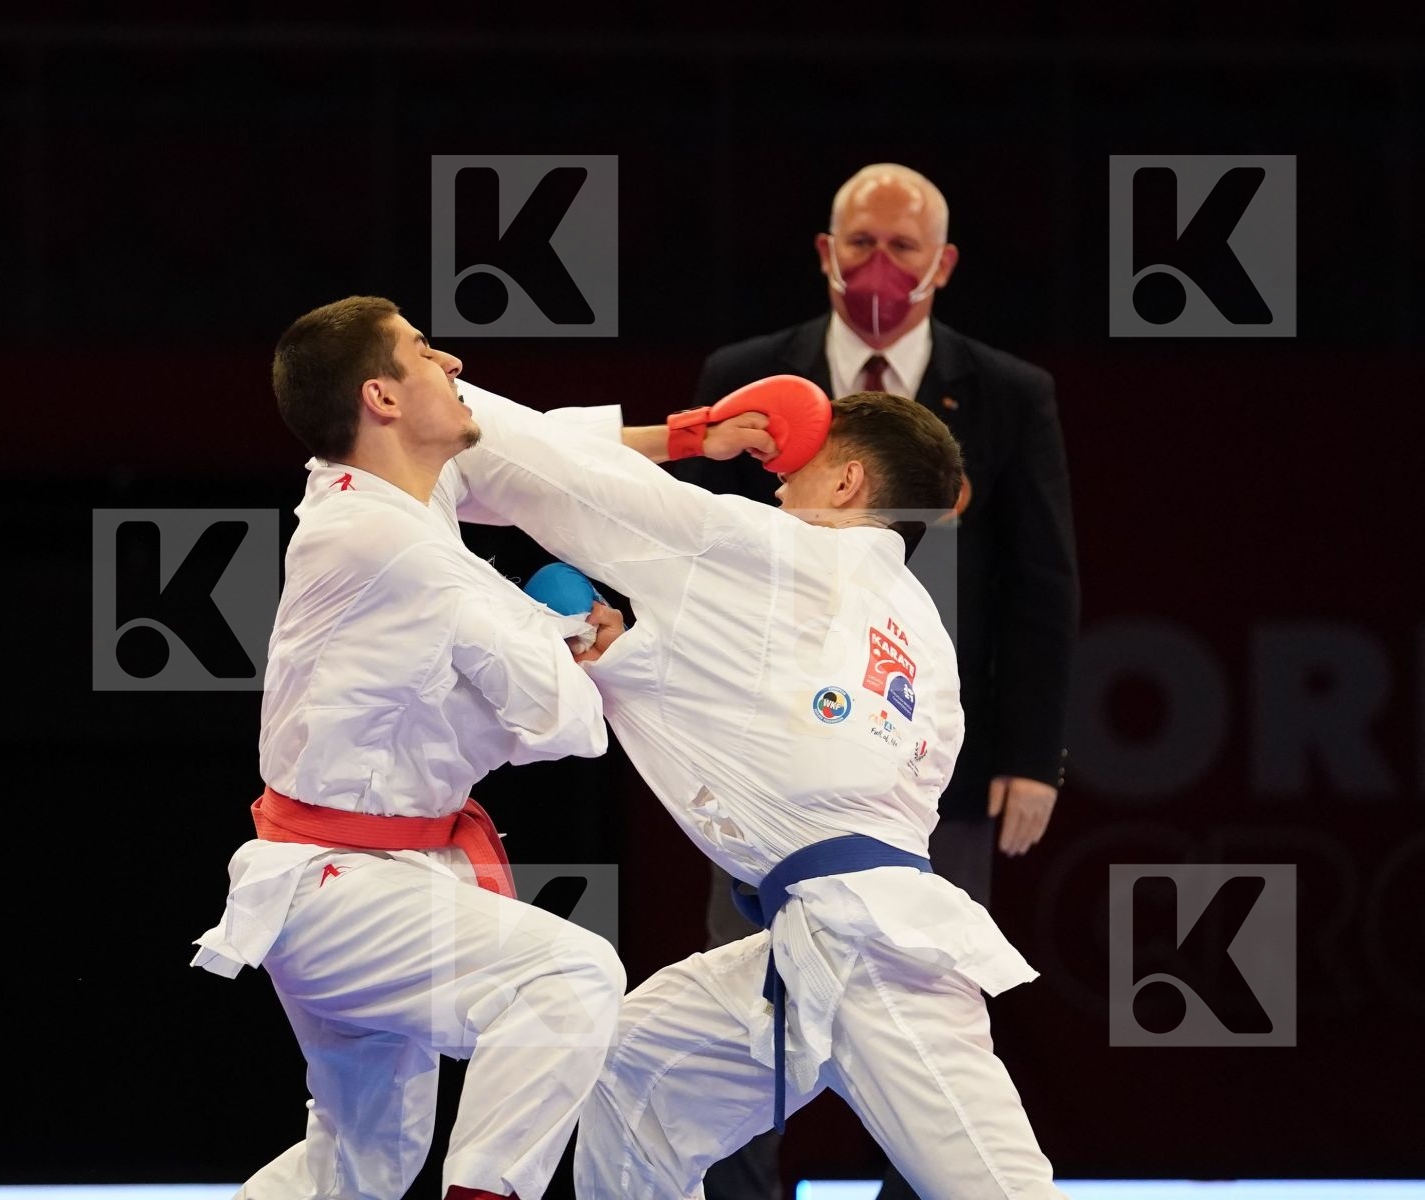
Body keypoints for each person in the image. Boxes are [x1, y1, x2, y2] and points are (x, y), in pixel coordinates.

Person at [444, 377, 1065, 1200]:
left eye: (801, 467)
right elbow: (791, 747)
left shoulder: (775, 552)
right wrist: (630, 661)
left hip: (876, 951)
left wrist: (439, 399)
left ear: (847, 484)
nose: (777, 481)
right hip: (812, 939)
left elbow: (563, 478)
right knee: (629, 1071)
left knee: (1001, 1192)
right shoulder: (922, 635)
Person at [673, 164, 1079, 1200]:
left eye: (904, 249)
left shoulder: (1007, 393)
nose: (880, 267)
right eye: (860, 244)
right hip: (772, 758)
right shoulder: (751, 375)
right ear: (824, 251)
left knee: (929, 1020)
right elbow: (688, 561)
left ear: (942, 265)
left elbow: (1040, 583)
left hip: (934, 758)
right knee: (754, 1022)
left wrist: (1033, 756)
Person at [188, 296, 627, 1200]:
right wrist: (576, 638)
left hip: (353, 873)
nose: (456, 364)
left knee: (361, 1164)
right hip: (341, 889)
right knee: (571, 973)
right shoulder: (391, 542)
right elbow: (570, 726)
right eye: (427, 351)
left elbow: (539, 456)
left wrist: (699, 433)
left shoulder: (377, 499)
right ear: (382, 398)